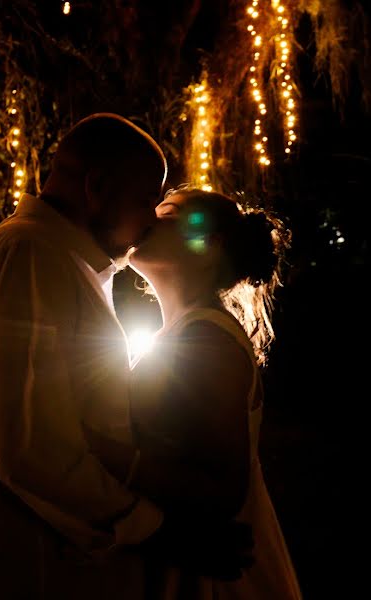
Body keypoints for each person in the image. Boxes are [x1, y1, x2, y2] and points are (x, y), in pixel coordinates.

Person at [0, 114, 251, 599]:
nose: (148, 222)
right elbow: (34, 452)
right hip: (34, 572)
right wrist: (161, 532)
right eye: (146, 201)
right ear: (96, 185)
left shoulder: (59, 261)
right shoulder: (30, 260)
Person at [86, 186, 303, 599]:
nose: (147, 217)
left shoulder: (206, 339)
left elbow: (224, 489)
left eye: (167, 212)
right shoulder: (184, 332)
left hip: (207, 578)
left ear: (207, 245)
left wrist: (110, 457)